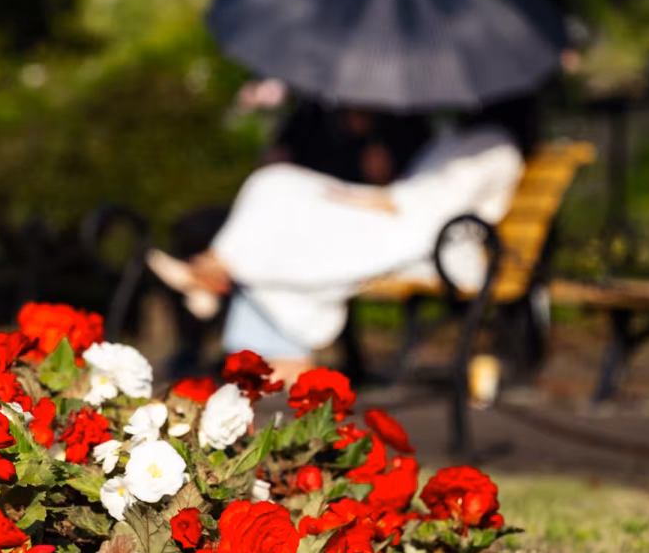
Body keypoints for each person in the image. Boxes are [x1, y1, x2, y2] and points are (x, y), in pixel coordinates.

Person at [149, 97, 533, 385]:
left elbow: (428, 206)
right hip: (393, 215)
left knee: (280, 190)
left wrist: (367, 195)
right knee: (274, 182)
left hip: (422, 237)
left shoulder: (494, 148)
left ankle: (212, 273)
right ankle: (215, 266)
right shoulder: (458, 138)